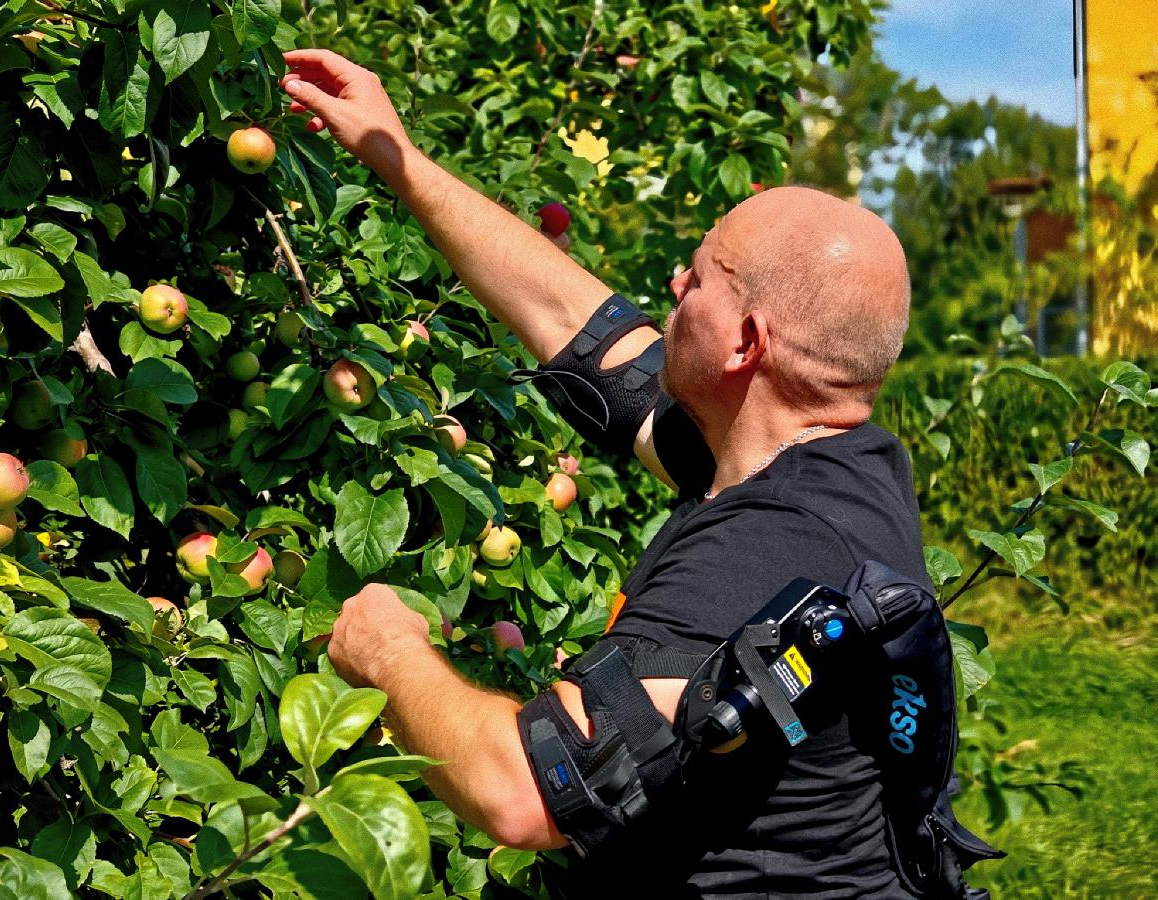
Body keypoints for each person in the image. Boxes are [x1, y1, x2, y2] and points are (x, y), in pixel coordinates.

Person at [278, 49, 982, 898]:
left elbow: (532, 789)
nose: (673, 285)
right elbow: (586, 335)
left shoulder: (761, 554)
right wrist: (400, 157)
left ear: (746, 343)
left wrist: (388, 653)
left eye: (700, 279)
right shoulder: (826, 457)